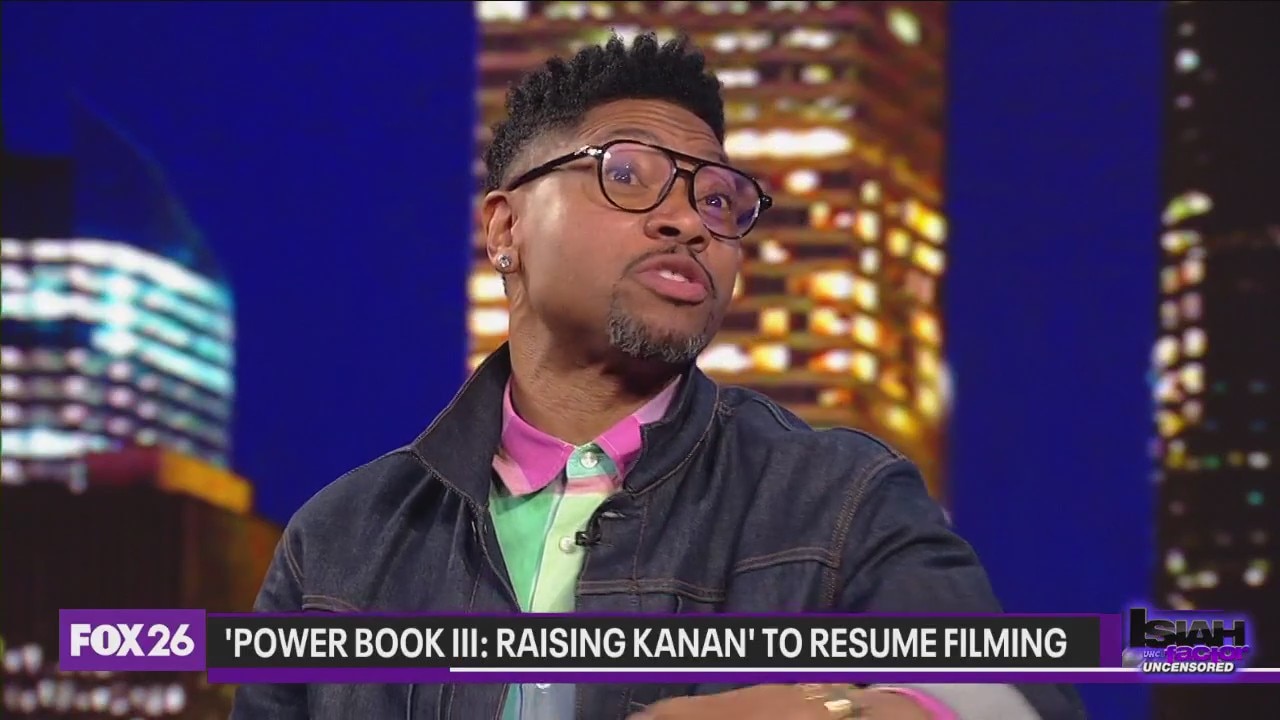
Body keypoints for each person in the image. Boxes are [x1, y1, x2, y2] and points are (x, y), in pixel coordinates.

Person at [233, 33, 1085, 720]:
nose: (687, 221)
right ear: (506, 228)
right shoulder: (340, 541)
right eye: (627, 176)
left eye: (718, 201)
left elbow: (1021, 699)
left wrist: (839, 712)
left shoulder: (839, 497)